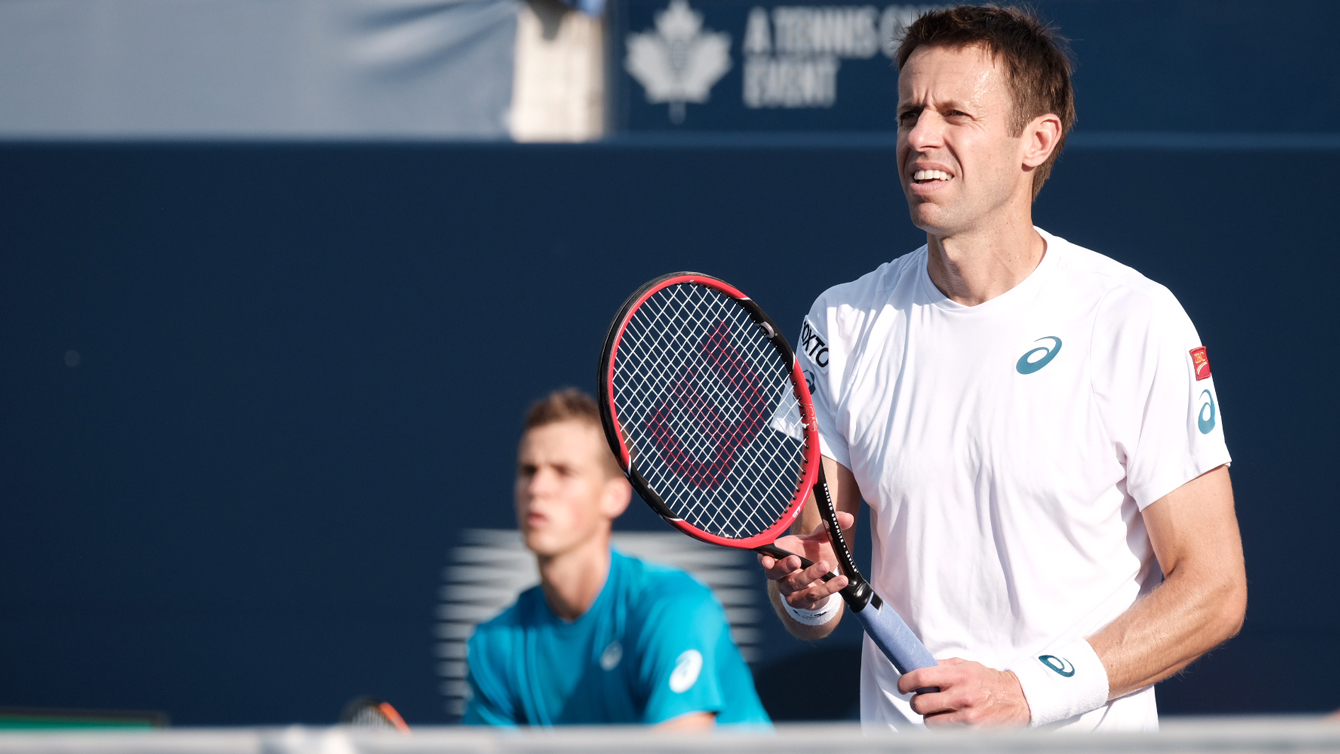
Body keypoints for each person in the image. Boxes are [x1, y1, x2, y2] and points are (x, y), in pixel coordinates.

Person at [760, 6, 1246, 732]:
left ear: (1036, 140)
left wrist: (1026, 694)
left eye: (956, 114)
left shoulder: (1133, 321)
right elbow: (819, 587)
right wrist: (810, 594)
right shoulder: (842, 323)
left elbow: (1213, 589)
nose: (921, 136)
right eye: (908, 113)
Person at [464, 389, 771, 728]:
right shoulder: (495, 644)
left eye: (564, 471)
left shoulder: (673, 606)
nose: (537, 487)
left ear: (614, 497)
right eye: (528, 470)